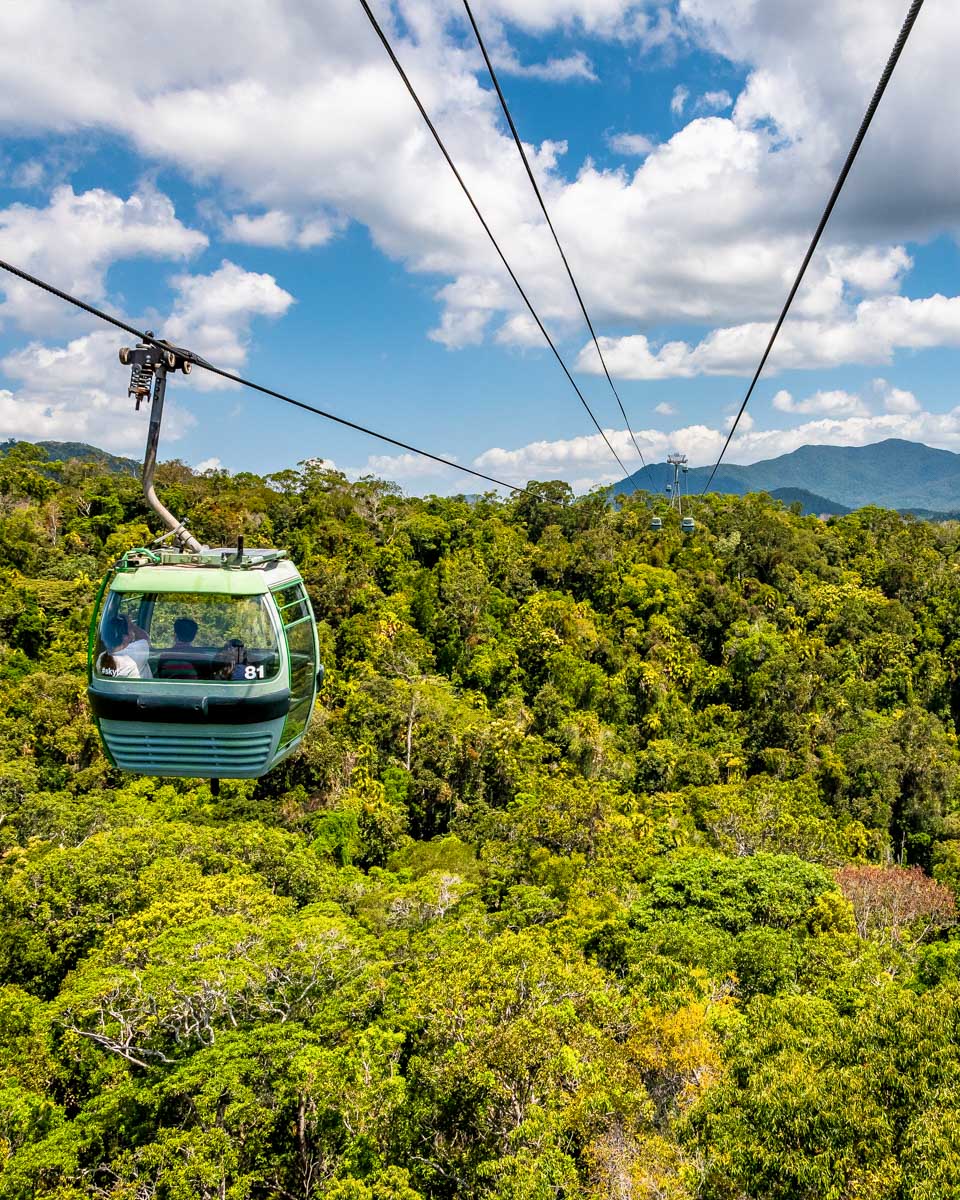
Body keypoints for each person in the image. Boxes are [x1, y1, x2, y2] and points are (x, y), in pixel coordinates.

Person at [97, 613, 153, 679]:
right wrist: (131, 625)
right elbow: (145, 638)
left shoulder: (101, 658)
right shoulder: (134, 654)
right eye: (130, 629)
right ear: (125, 637)